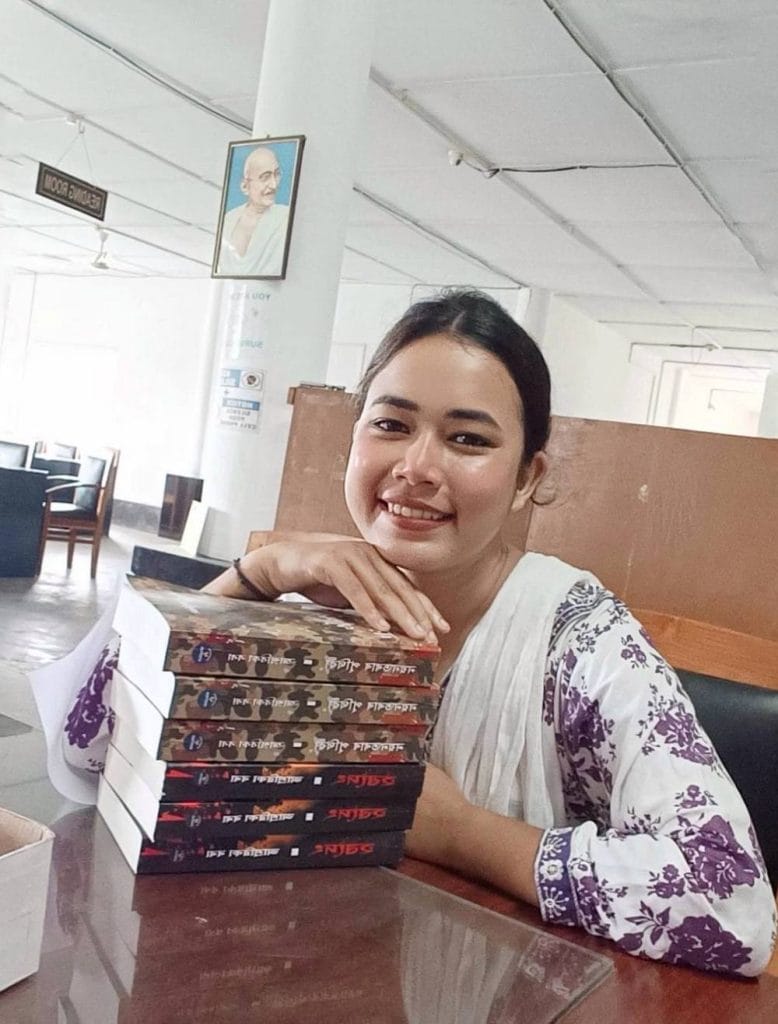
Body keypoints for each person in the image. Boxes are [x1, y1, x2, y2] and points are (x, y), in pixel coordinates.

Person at [204, 290, 776, 975]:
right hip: (287, 961)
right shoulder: (295, 601)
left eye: (468, 439)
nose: (416, 468)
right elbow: (92, 740)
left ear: (526, 479)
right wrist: (255, 573)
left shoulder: (580, 640)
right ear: (351, 441)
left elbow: (732, 904)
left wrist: (457, 831)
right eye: (390, 424)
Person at [216, 146, 289, 276]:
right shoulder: (229, 219)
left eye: (277, 175)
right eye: (265, 177)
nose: (274, 185)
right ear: (245, 186)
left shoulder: (285, 218)